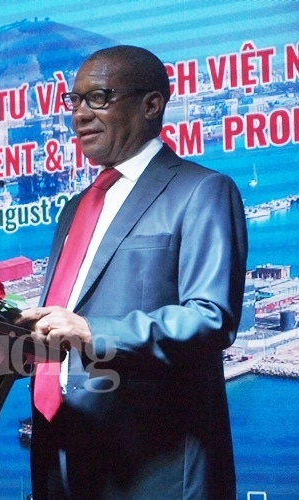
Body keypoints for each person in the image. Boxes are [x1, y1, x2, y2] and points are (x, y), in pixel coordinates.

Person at [15, 45, 248, 499]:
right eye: (74, 101)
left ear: (151, 104)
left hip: (151, 470)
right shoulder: (74, 209)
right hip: (62, 461)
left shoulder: (202, 191)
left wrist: (92, 331)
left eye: (98, 98)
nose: (80, 115)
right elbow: (61, 327)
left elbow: (210, 317)